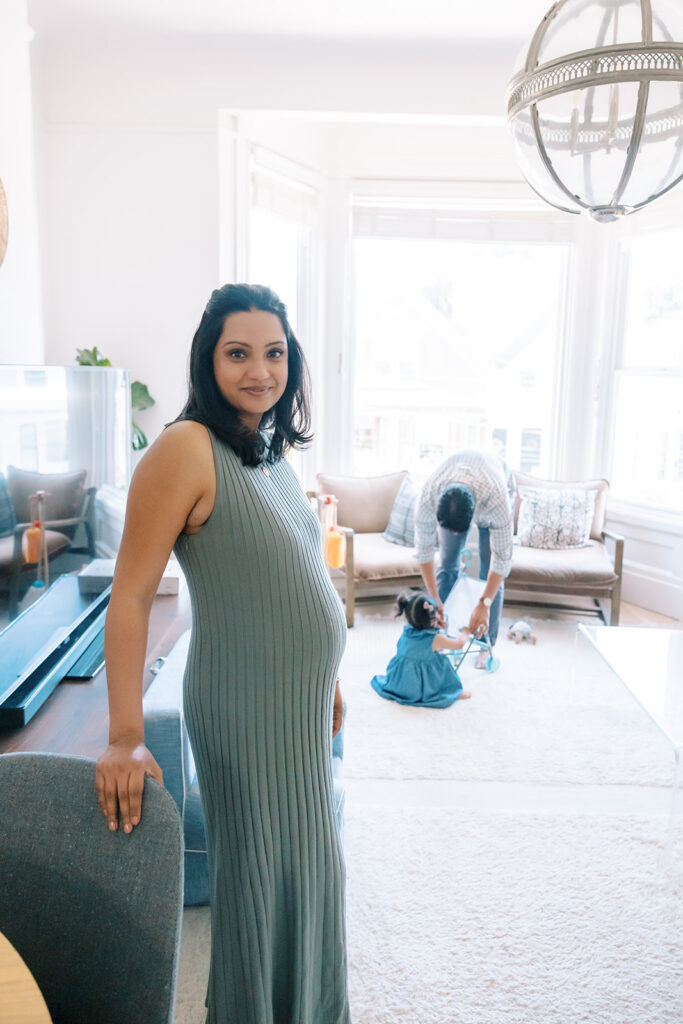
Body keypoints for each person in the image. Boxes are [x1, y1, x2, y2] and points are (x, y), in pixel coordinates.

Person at [95, 283, 351, 1024]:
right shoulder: (185, 449)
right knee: (262, 889)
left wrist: (324, 677)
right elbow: (132, 596)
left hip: (295, 704)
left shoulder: (267, 449)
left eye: (274, 353)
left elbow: (291, 572)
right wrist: (123, 736)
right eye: (238, 354)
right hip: (246, 709)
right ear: (209, 362)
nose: (259, 371)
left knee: (311, 876)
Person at [414, 450, 514, 668]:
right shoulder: (429, 495)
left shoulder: (497, 501)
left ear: (475, 510)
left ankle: (485, 645)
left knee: (489, 564)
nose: (457, 536)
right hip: (456, 483)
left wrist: (484, 603)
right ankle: (443, 632)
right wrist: (434, 597)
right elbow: (424, 552)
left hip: (494, 483)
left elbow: (502, 560)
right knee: (448, 562)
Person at [370, 591, 471, 707]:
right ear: (431, 620)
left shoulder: (406, 633)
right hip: (419, 686)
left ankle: (404, 691)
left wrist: (434, 624)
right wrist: (465, 632)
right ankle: (452, 693)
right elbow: (458, 644)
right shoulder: (436, 639)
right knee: (443, 664)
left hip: (400, 683)